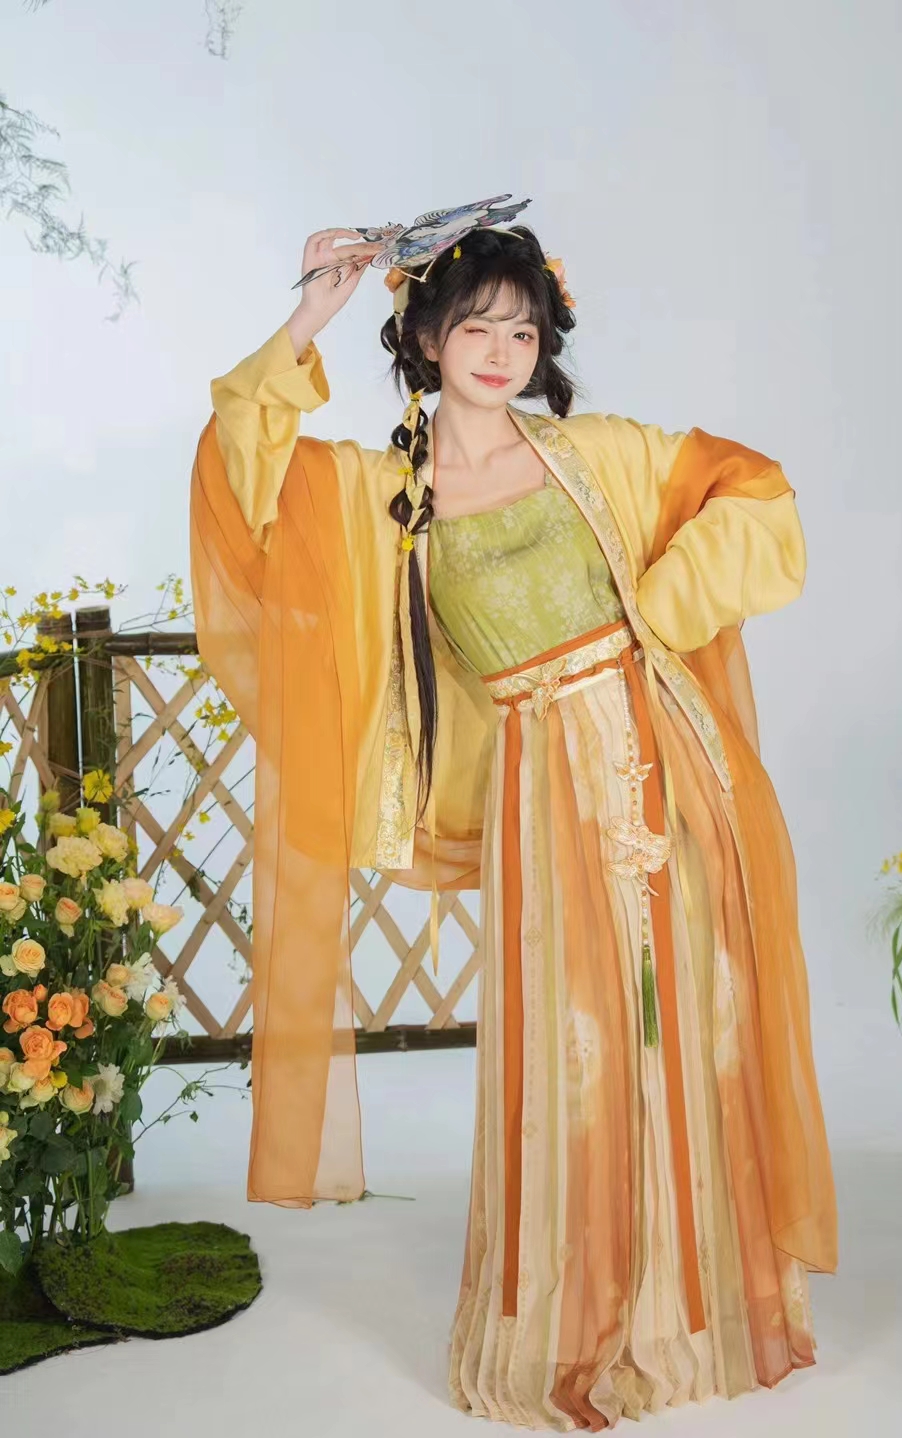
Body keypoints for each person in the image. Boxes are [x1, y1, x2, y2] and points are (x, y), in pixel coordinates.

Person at [190, 221, 838, 1430]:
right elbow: (242, 483)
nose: (501, 351)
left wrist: (656, 611)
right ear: (428, 337)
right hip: (539, 782)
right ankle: (574, 1318)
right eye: (477, 326)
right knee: (573, 1043)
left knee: (691, 1020)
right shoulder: (384, 492)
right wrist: (312, 314)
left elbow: (755, 486)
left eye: (524, 331)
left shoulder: (597, 452)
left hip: (660, 757)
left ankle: (695, 1311)